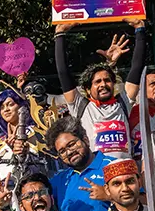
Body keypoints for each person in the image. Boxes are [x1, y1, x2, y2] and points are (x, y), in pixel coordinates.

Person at [54, 21, 147, 159]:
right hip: (96, 172)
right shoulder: (81, 105)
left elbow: (137, 68)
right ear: (87, 88)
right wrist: (59, 35)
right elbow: (63, 73)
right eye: (97, 82)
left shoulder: (123, 102)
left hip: (123, 173)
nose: (103, 84)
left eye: (107, 80)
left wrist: (140, 30)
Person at [46, 117, 113, 211]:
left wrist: (110, 196)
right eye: (62, 151)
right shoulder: (60, 180)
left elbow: (143, 201)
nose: (69, 152)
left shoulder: (112, 165)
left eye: (71, 145)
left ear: (85, 140)